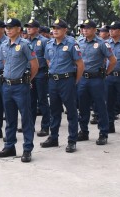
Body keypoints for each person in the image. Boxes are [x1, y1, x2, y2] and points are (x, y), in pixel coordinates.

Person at [0, 18, 38, 163]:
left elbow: (35, 65)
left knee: (26, 117)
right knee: (9, 117)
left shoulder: (25, 45)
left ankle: (27, 148)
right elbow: (5, 63)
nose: (8, 30)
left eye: (11, 27)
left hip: (21, 86)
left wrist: (27, 80)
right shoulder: (4, 45)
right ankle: (9, 146)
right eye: (6, 27)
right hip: (7, 85)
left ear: (19, 29)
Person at [42, 19, 83, 153]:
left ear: (65, 30)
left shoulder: (72, 44)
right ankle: (53, 138)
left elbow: (80, 65)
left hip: (67, 80)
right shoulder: (49, 44)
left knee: (71, 111)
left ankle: (72, 140)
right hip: (53, 81)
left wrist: (74, 81)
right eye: (53, 28)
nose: (55, 30)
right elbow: (48, 60)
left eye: (58, 28)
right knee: (54, 111)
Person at [77, 20, 116, 145]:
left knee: (100, 107)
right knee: (83, 107)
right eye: (83, 28)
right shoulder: (79, 42)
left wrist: (106, 73)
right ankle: (83, 131)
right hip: (83, 79)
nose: (85, 30)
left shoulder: (102, 43)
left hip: (97, 79)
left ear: (95, 30)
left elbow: (113, 60)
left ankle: (103, 133)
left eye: (88, 28)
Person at [24, 19, 50, 136]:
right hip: (29, 73)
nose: (28, 28)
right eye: (27, 27)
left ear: (37, 29)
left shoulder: (44, 41)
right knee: (30, 101)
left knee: (43, 101)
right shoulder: (24, 42)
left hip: (41, 73)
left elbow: (49, 58)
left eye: (31, 27)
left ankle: (45, 127)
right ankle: (30, 125)